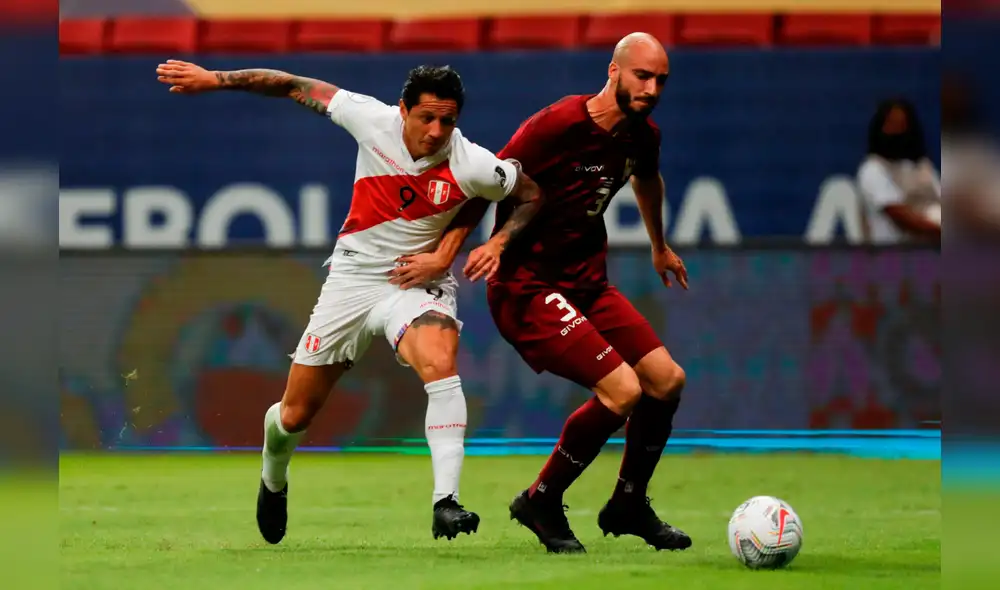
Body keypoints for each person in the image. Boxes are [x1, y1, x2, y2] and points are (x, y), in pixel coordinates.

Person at [155, 60, 543, 544]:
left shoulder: (473, 163)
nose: (437, 131)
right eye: (426, 118)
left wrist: (493, 245)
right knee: (294, 415)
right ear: (403, 110)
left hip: (416, 282)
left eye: (448, 120)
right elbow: (293, 85)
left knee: (441, 363)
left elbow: (527, 195)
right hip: (353, 280)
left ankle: (446, 501)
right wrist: (216, 79)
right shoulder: (369, 118)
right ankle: (273, 479)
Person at [434, 33, 691, 554]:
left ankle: (628, 503)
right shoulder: (556, 125)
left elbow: (648, 179)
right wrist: (456, 253)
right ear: (614, 72)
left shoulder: (643, 135)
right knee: (623, 391)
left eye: (661, 79)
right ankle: (541, 500)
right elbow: (487, 180)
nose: (652, 88)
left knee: (666, 381)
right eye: (643, 76)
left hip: (586, 282)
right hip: (526, 286)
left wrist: (659, 246)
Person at [856, 98, 941, 244]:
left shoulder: (922, 167)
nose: (896, 131)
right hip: (891, 258)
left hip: (931, 257)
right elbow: (900, 216)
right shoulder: (872, 170)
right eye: (891, 125)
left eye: (902, 125)